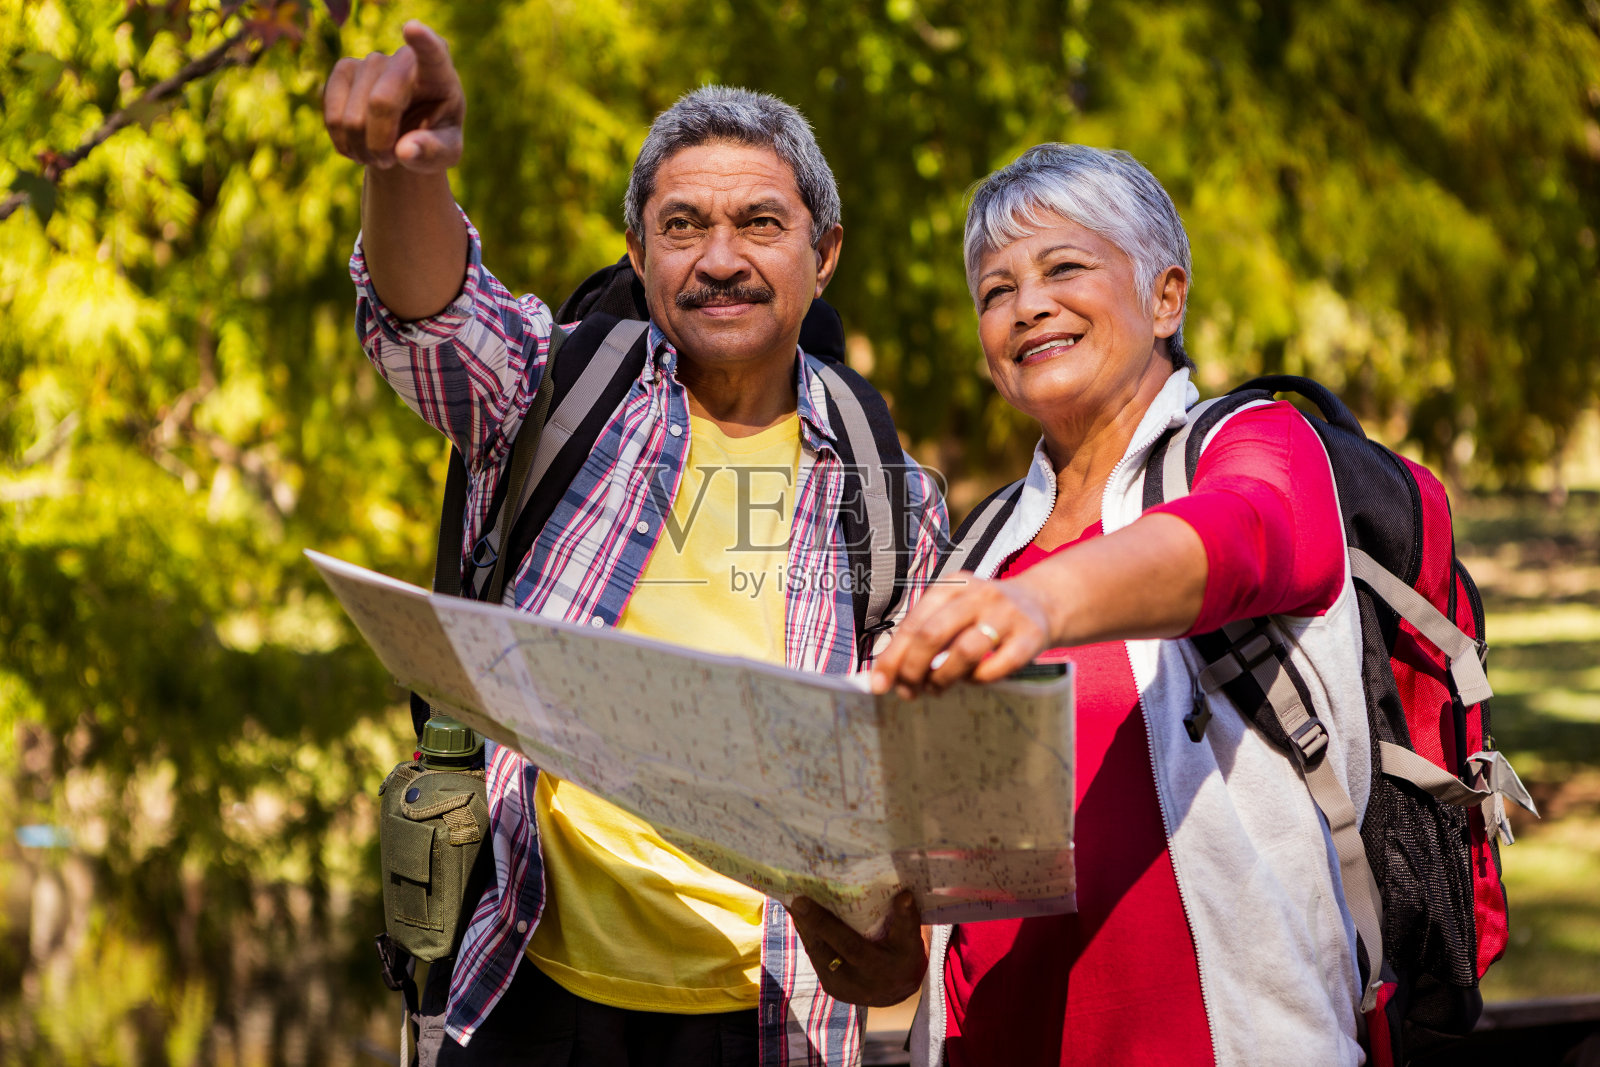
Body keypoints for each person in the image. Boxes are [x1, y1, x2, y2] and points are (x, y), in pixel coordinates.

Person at [322, 22, 946, 1067]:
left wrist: (895, 943)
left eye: (759, 223)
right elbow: (430, 324)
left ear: (822, 253)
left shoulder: (889, 495)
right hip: (524, 988)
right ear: (639, 252)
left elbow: (904, 794)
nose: (719, 258)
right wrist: (403, 172)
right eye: (682, 224)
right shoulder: (553, 391)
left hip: (768, 1018)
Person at [861, 144, 1372, 1065]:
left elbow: (1240, 535)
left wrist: (1041, 605)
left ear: (1166, 297)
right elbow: (949, 896)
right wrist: (875, 925)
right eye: (995, 291)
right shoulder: (980, 551)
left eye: (1064, 267)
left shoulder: (1257, 445)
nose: (1028, 305)